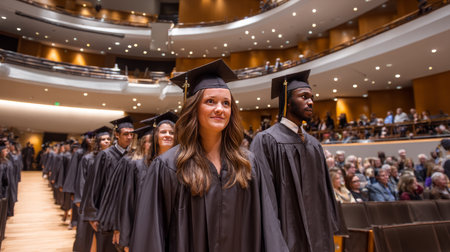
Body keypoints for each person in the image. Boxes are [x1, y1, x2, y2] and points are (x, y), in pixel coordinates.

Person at [131, 59, 287, 252]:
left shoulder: (247, 164)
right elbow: (151, 235)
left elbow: (268, 228)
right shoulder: (169, 166)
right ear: (194, 108)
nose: (220, 109)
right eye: (210, 101)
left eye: (226, 103)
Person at [250, 69, 340, 251]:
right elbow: (263, 196)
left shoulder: (314, 144)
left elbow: (325, 195)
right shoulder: (266, 140)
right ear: (288, 102)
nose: (310, 102)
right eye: (304, 97)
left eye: (312, 98)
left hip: (318, 237)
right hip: (285, 236)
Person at [81, 117, 134, 252]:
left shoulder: (133, 157)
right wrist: (93, 214)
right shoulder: (105, 155)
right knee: (106, 246)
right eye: (125, 134)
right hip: (107, 211)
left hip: (125, 212)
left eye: (131, 134)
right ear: (116, 135)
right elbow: (93, 185)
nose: (129, 137)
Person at [74, 127, 110, 252]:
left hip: (105, 205)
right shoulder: (88, 159)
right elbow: (81, 183)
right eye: (103, 139)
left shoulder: (113, 159)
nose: (106, 141)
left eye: (108, 139)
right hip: (89, 204)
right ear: (97, 142)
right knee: (85, 236)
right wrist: (83, 204)